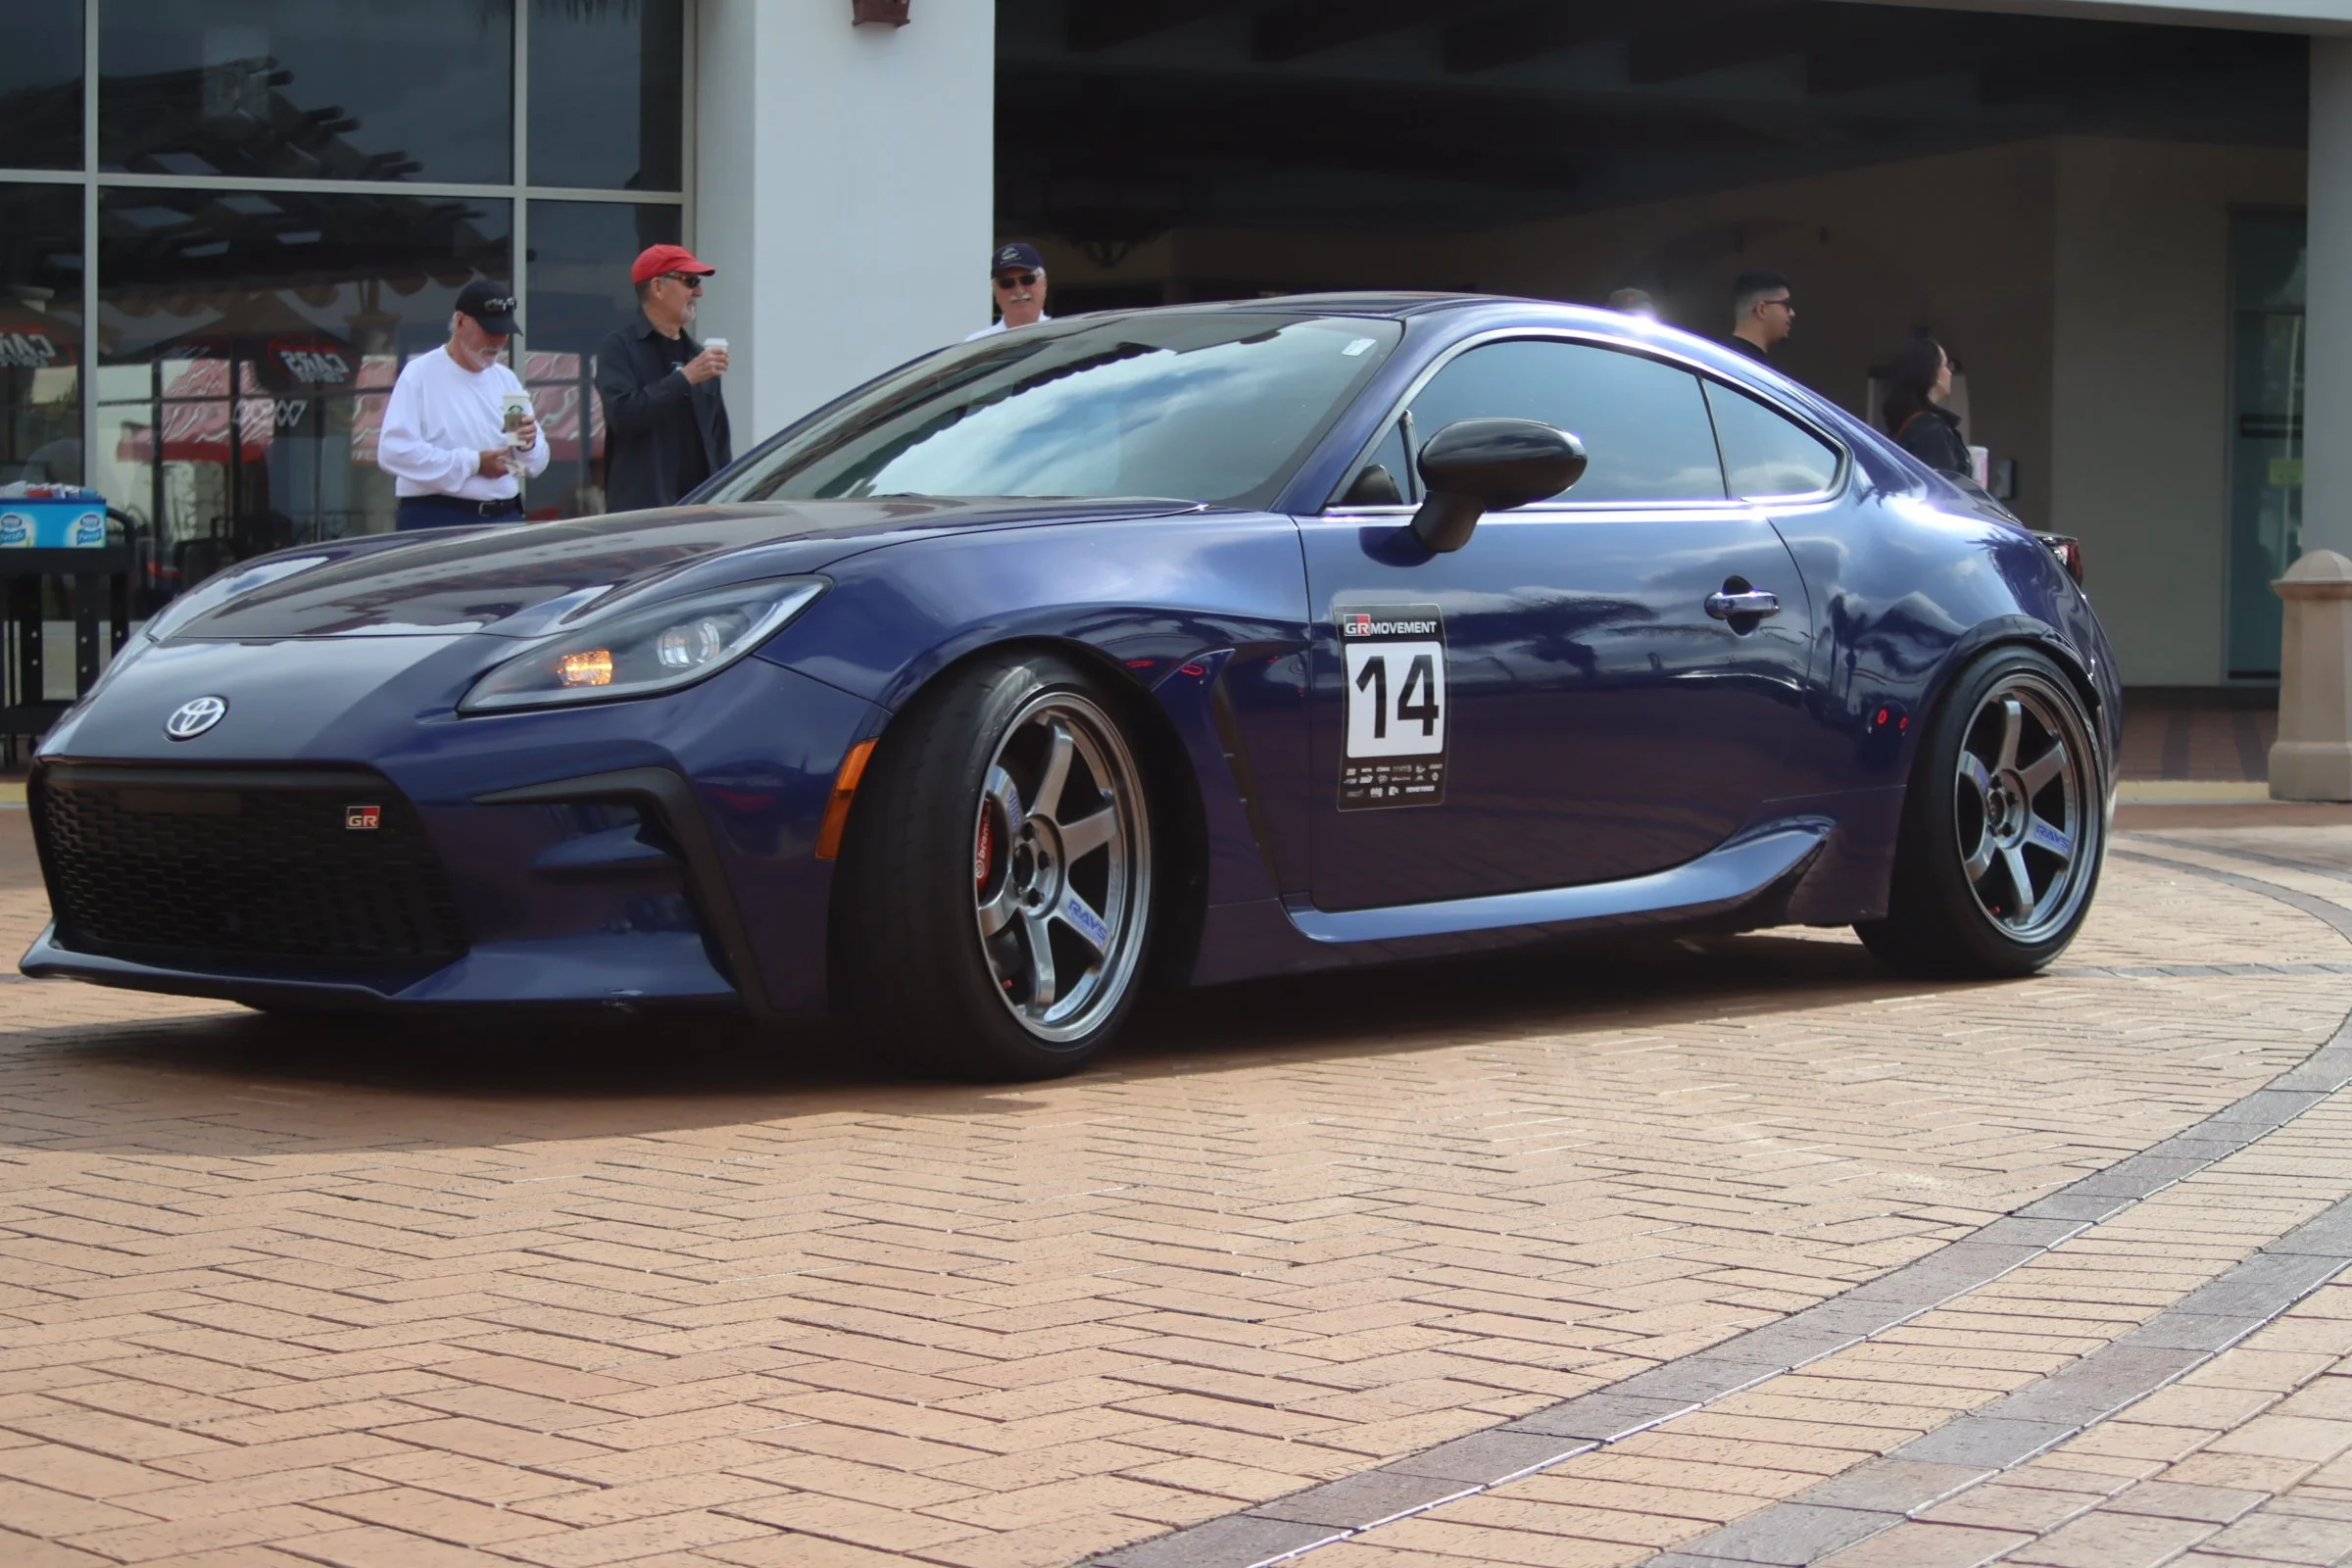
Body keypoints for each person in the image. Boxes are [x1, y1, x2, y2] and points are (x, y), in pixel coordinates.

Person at [377, 279, 548, 530]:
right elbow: (394, 452)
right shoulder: (420, 374)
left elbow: (535, 464)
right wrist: (473, 463)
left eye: (504, 332)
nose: (498, 340)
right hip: (438, 518)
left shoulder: (506, 379)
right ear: (459, 322)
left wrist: (528, 445)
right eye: (489, 330)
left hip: (506, 517)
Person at [597, 243, 733, 513]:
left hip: (699, 510)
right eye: (690, 281)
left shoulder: (698, 355)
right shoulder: (620, 347)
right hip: (642, 513)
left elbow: (718, 439)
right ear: (658, 287)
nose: (699, 292)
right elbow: (622, 415)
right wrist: (684, 379)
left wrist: (726, 498)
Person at [1882, 335, 1972, 473]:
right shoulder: (1930, 429)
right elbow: (1943, 483)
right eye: (1946, 366)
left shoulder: (1905, 426)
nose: (1950, 373)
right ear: (1931, 371)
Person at [965, 242, 1053, 340]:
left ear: (1044, 283)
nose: (1019, 290)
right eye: (1006, 283)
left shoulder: (1062, 337)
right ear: (994, 290)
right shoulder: (979, 343)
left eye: (1027, 279)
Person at [1725, 270, 1794, 364]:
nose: (1792, 313)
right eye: (1786, 305)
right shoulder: (1745, 365)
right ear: (1762, 309)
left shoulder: (1720, 357)